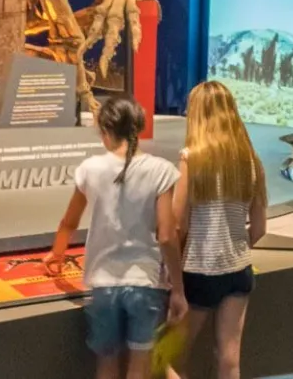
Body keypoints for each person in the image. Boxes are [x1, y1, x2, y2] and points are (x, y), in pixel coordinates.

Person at [45, 96, 185, 379]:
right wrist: (179, 289)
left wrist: (57, 254)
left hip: (103, 283)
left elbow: (69, 222)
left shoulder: (90, 168)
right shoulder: (161, 170)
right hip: (146, 282)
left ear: (106, 131)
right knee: (139, 368)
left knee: (106, 366)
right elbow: (167, 235)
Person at [173, 81, 266, 379]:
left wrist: (172, 267)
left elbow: (178, 223)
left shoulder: (191, 157)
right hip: (238, 270)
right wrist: (233, 246)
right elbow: (259, 228)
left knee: (172, 359)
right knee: (229, 358)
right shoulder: (251, 161)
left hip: (198, 271)